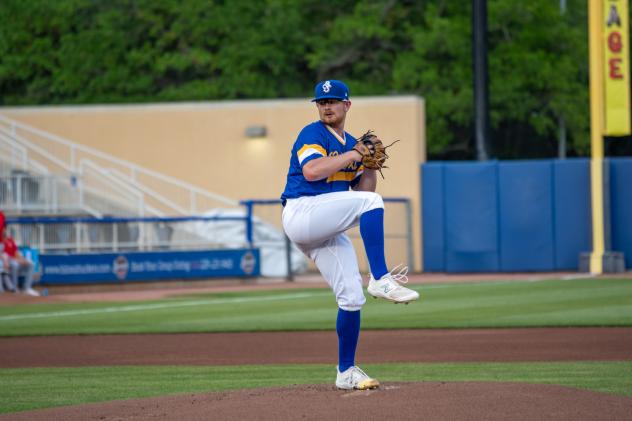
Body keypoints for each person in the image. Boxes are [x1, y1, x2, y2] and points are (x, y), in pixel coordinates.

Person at [280, 80, 419, 391]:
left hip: (324, 226)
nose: (326, 106)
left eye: (332, 101)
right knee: (372, 204)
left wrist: (369, 165)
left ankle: (346, 371)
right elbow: (313, 172)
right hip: (302, 213)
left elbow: (363, 193)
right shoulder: (312, 133)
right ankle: (381, 278)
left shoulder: (354, 143)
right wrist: (354, 154)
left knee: (352, 298)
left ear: (347, 105)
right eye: (321, 101)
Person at [1, 226, 38, 296]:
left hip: (14, 261)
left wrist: (23, 260)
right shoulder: (1, 243)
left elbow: (16, 253)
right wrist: (16, 260)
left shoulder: (10, 240)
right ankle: (14, 288)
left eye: (4, 229)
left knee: (31, 264)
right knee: (15, 264)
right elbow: (4, 256)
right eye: (2, 230)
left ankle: (26, 288)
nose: (3, 231)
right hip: (5, 264)